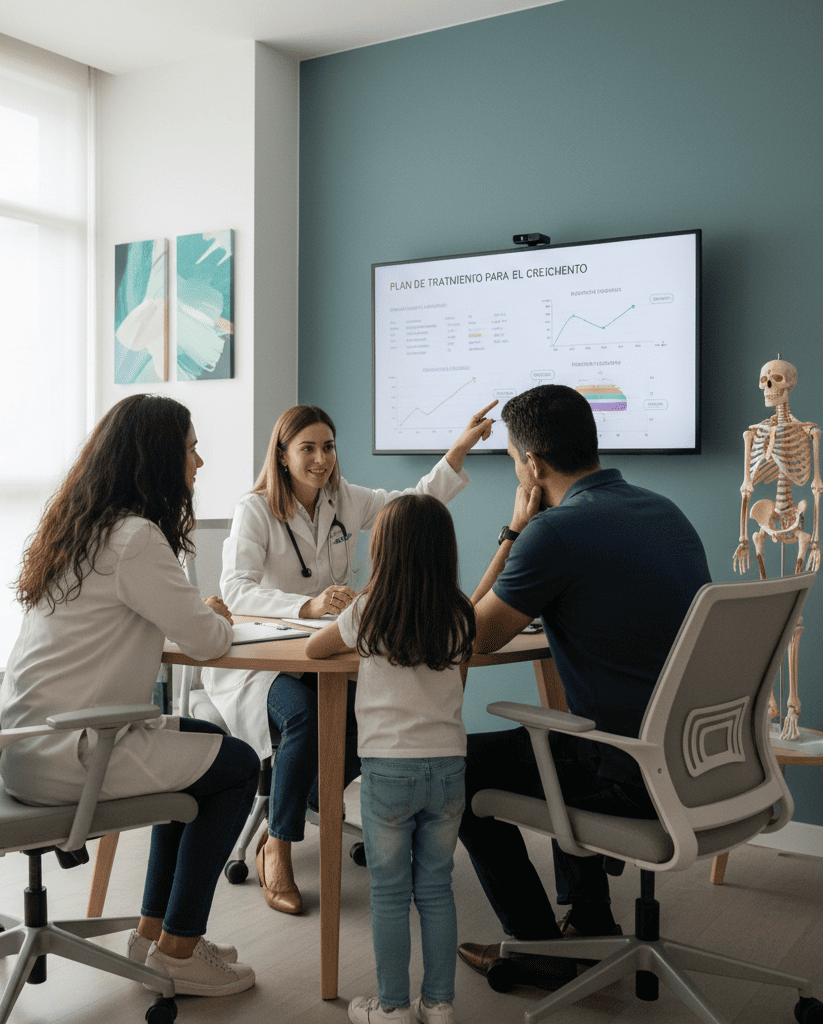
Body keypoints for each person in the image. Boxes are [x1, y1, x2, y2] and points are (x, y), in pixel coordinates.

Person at [0, 394, 261, 997]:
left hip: (27, 744)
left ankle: (152, 935)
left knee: (206, 745)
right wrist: (212, 614)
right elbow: (206, 640)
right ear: (159, 460)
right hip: (73, 751)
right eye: (191, 449)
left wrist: (191, 615)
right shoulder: (136, 538)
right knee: (239, 767)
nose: (199, 462)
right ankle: (181, 951)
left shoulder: (82, 528)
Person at [456, 384, 711, 986]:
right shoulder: (665, 511)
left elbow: (473, 636)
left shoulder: (554, 533)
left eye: (514, 460)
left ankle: (536, 947)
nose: (517, 471)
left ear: (532, 464)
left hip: (629, 773)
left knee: (456, 765)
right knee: (565, 738)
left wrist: (514, 532)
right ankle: (590, 917)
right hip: (696, 761)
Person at [203, 401, 496, 915]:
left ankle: (304, 800)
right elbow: (237, 589)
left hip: (330, 649)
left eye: (328, 447)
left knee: (373, 714)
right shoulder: (256, 509)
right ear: (282, 454)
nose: (321, 459)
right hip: (267, 659)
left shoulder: (344, 500)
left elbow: (412, 506)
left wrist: (457, 450)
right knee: (305, 716)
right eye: (308, 448)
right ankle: (279, 845)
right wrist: (307, 605)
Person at [306, 494, 475, 1024]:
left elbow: (314, 650)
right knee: (437, 888)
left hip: (388, 771)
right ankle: (439, 1004)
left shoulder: (368, 613)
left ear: (383, 552)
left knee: (389, 894)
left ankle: (393, 1007)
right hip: (448, 769)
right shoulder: (460, 614)